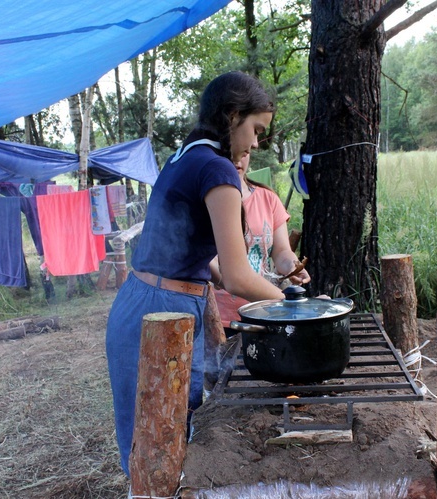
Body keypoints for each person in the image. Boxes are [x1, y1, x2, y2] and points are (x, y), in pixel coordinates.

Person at [106, 71, 303, 477]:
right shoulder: (217, 170)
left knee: (163, 437)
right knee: (157, 447)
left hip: (150, 300)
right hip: (162, 309)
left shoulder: (186, 156)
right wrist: (293, 308)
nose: (256, 143)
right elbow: (236, 275)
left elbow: (194, 256)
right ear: (232, 116)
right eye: (255, 129)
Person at [212, 153, 310, 333]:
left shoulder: (268, 198)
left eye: (245, 152)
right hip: (217, 318)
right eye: (232, 151)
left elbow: (281, 251)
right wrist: (284, 301)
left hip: (263, 312)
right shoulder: (210, 200)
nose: (237, 159)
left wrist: (291, 265)